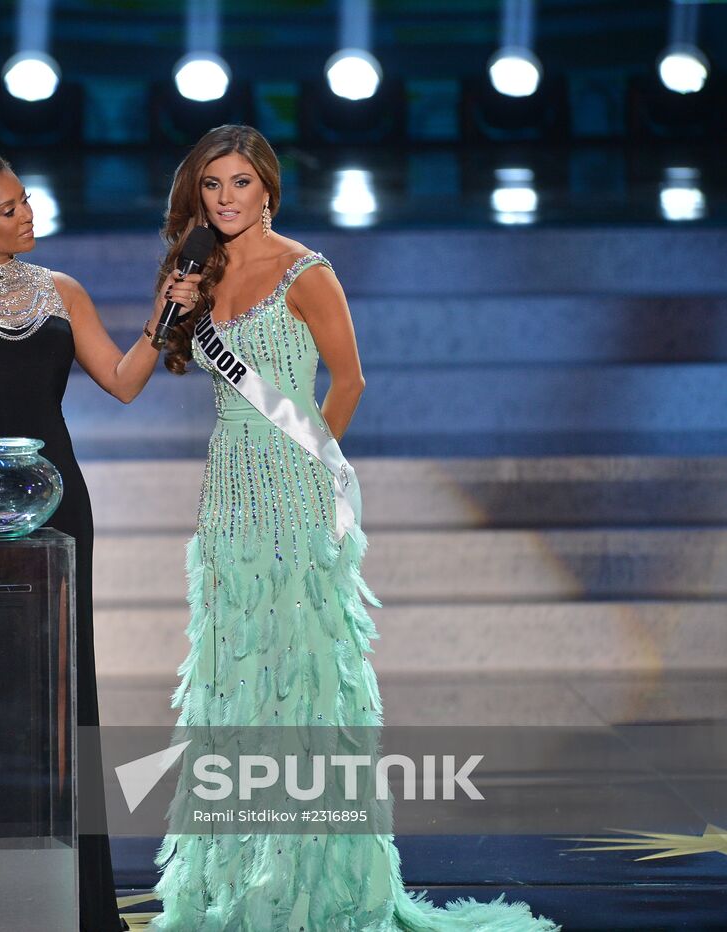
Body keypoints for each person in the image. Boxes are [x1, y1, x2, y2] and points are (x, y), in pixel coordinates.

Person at [149, 125, 557, 930]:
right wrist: (179, 310)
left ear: (269, 188)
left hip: (295, 486)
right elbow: (174, 360)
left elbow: (350, 380)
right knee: (236, 676)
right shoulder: (200, 272)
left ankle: (314, 883)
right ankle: (242, 879)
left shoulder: (306, 272)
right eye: (212, 185)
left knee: (301, 676)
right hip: (228, 490)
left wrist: (312, 464)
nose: (225, 198)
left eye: (240, 182)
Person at [0, 139, 202, 932]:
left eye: (26, 199)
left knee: (66, 692)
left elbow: (124, 381)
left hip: (59, 508)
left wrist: (166, 314)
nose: (27, 215)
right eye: (8, 209)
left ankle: (78, 901)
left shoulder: (62, 291)